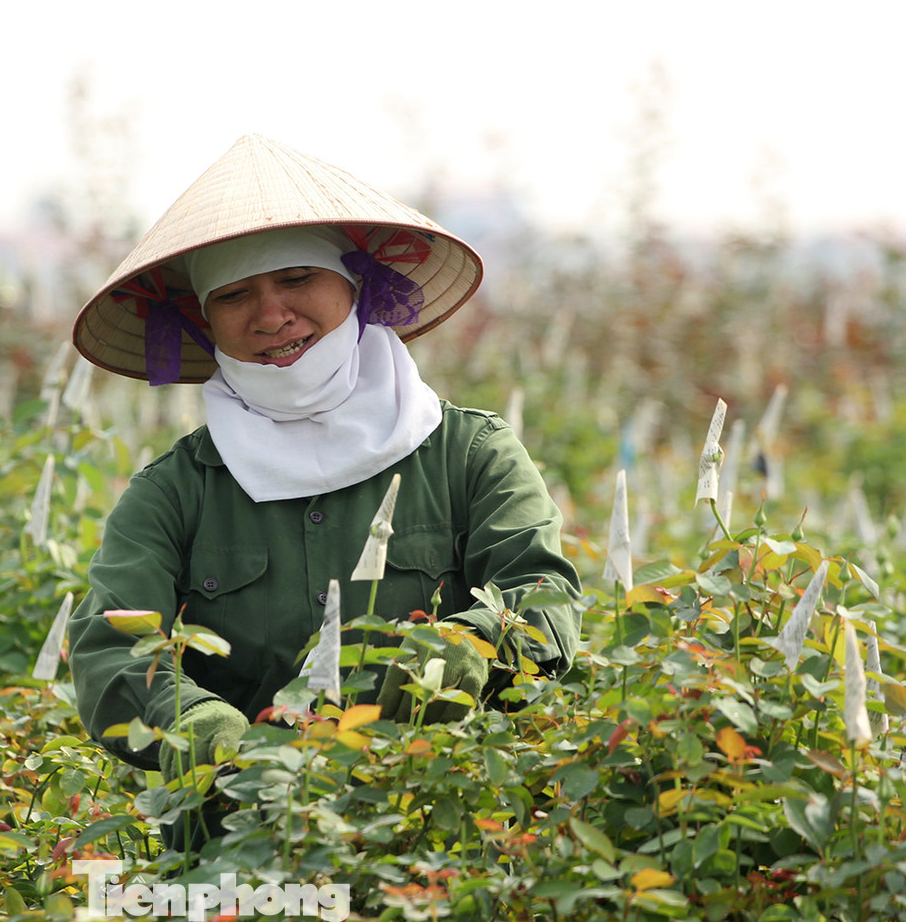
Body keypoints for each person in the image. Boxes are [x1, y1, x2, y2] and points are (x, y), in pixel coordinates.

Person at [66, 135, 581, 834]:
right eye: (236, 294)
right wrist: (203, 727)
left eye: (297, 279)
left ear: (356, 283)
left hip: (439, 838)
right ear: (202, 317)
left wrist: (458, 651)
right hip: (239, 846)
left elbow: (544, 602)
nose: (271, 315)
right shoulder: (175, 493)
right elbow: (108, 650)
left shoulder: (469, 454)